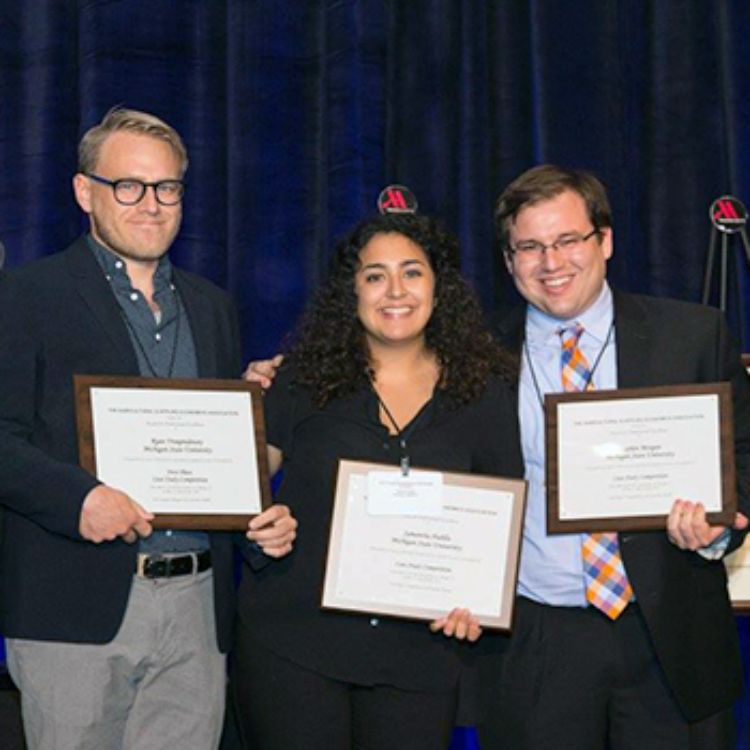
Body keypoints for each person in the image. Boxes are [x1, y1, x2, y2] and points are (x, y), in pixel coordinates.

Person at [0, 108, 296, 750]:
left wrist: (256, 517)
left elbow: (210, 457)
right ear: (86, 192)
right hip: (74, 611)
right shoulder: (25, 295)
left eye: (168, 188)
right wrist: (78, 498)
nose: (151, 205)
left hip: (196, 607)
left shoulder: (211, 305)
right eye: (128, 186)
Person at [473, 164, 750, 749]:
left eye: (569, 240)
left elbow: (741, 457)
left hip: (668, 634)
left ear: (605, 241)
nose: (551, 263)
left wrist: (718, 529)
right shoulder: (473, 354)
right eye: (529, 246)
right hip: (538, 637)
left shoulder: (693, 335)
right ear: (508, 261)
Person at [232, 212, 522, 749]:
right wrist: (259, 527)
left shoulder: (486, 394)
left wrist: (478, 605)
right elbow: (236, 488)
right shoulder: (300, 378)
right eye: (374, 275)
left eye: (412, 273)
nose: (395, 291)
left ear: (439, 287)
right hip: (294, 645)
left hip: (418, 658)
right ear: (352, 291)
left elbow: (503, 524)